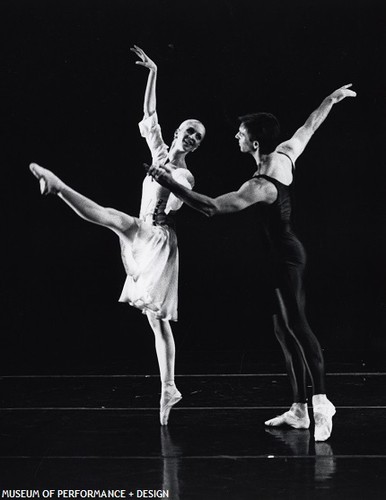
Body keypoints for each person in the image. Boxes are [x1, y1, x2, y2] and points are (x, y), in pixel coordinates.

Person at [147, 83, 356, 441]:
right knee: (282, 330)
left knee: (298, 327)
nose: (236, 136)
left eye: (240, 134)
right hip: (280, 257)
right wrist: (331, 100)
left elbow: (212, 207)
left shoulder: (259, 185)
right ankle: (299, 409)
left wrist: (171, 184)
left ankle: (322, 404)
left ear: (254, 143)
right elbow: (310, 125)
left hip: (287, 258)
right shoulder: (286, 153)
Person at [29, 45, 206, 426]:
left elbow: (177, 202)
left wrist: (169, 183)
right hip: (144, 232)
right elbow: (149, 116)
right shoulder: (159, 152)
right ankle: (169, 387)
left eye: (198, 139)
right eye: (190, 132)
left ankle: (58, 186)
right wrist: (154, 72)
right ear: (179, 132)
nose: (192, 139)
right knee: (156, 322)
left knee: (111, 218)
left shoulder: (186, 175)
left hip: (157, 238)